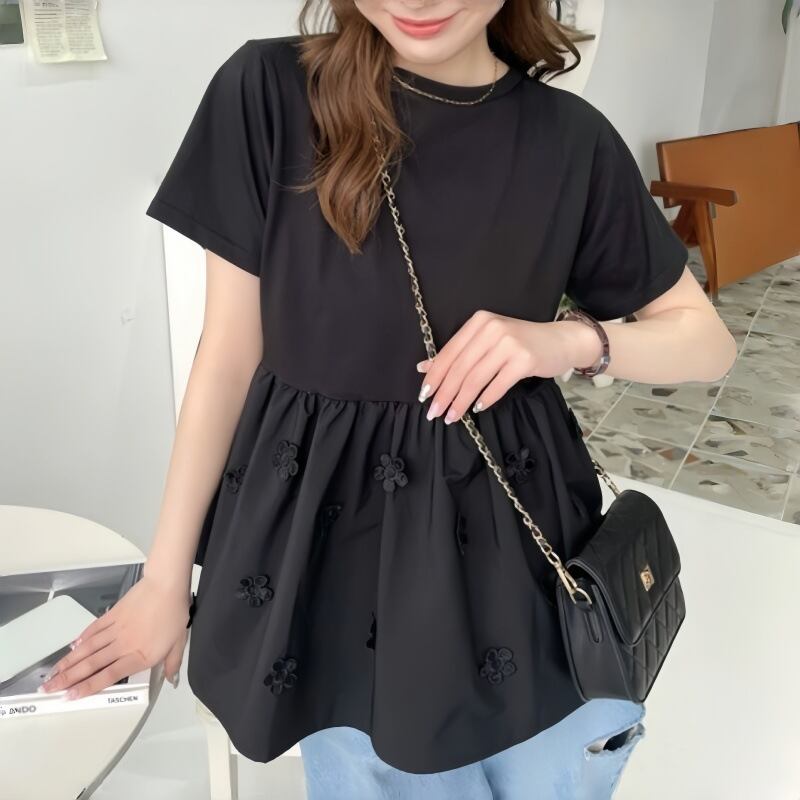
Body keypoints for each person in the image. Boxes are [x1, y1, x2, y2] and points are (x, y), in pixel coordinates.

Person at [38, 1, 736, 798]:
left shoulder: (569, 139)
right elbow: (227, 355)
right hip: (338, 567)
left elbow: (706, 342)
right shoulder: (270, 90)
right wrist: (167, 580)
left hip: (527, 573)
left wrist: (569, 342)